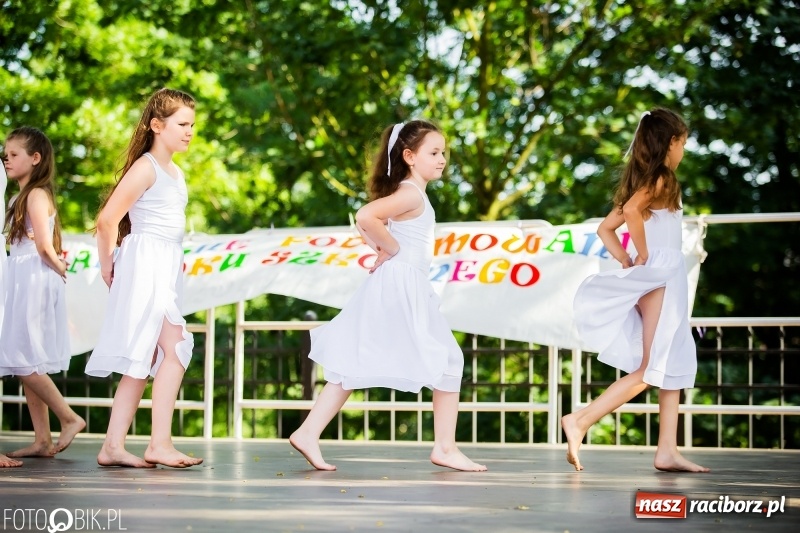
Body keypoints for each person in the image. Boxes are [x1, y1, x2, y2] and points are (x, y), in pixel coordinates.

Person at [289, 120, 487, 472]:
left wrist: (382, 246)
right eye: (434, 152)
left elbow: (365, 221)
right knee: (449, 360)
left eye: (444, 152)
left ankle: (308, 431)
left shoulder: (411, 192)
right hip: (401, 284)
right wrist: (391, 247)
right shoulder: (411, 193)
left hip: (396, 283)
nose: (442, 159)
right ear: (409, 156)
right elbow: (366, 215)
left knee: (355, 358)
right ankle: (444, 447)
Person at [563, 108, 709, 473]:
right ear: (671, 142)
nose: (684, 151)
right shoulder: (661, 179)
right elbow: (629, 211)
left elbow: (604, 229)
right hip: (661, 276)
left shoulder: (645, 180)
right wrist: (643, 255)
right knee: (651, 367)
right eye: (683, 143)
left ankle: (667, 451)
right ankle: (580, 419)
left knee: (671, 361)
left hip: (656, 276)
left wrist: (627, 260)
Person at [85, 88, 202, 469]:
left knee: (147, 354)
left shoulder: (176, 172)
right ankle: (159, 444)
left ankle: (113, 446)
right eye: (182, 124)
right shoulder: (146, 167)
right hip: (144, 262)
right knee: (177, 346)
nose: (189, 131)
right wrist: (107, 266)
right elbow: (106, 220)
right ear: (157, 125)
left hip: (164, 265)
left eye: (192, 125)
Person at [0, 127, 86, 464]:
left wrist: (60, 267)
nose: (7, 159)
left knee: (22, 356)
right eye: (5, 154)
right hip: (23, 276)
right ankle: (42, 438)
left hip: (35, 277)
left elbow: (43, 247)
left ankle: (69, 417)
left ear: (35, 159)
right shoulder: (18, 197)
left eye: (14, 154)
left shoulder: (36, 195)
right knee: (24, 357)